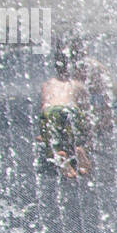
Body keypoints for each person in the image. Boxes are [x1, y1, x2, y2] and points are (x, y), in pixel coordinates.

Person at [39, 47, 91, 179]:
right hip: (71, 109)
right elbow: (85, 111)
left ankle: (60, 157)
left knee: (51, 141)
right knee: (77, 135)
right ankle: (80, 151)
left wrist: (43, 134)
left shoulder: (48, 84)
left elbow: (43, 108)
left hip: (50, 111)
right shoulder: (76, 84)